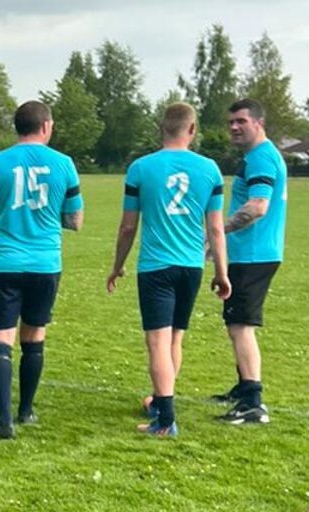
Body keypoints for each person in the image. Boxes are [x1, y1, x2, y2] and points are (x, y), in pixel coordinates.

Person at [107, 102, 232, 437]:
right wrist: (222, 273)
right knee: (175, 338)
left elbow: (127, 227)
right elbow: (216, 229)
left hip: (156, 267)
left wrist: (117, 266)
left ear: (160, 128)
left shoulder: (140, 168)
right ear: (192, 130)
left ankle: (165, 420)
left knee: (157, 342)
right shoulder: (210, 170)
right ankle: (161, 403)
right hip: (191, 266)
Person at [0, 100, 84, 440]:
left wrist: (3, 221)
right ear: (46, 126)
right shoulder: (64, 164)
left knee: (1, 338)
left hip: (3, 262)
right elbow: (75, 220)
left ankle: (4, 421)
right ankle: (26, 410)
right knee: (34, 336)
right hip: (45, 263)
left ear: (16, 127)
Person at [213, 97, 288, 425]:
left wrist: (218, 231)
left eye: (241, 121)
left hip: (254, 254)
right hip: (251, 252)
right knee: (235, 323)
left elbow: (258, 206)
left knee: (241, 326)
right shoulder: (258, 156)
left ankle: (253, 402)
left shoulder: (261, 158)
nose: (234, 127)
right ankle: (243, 387)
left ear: (258, 123)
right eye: (231, 122)